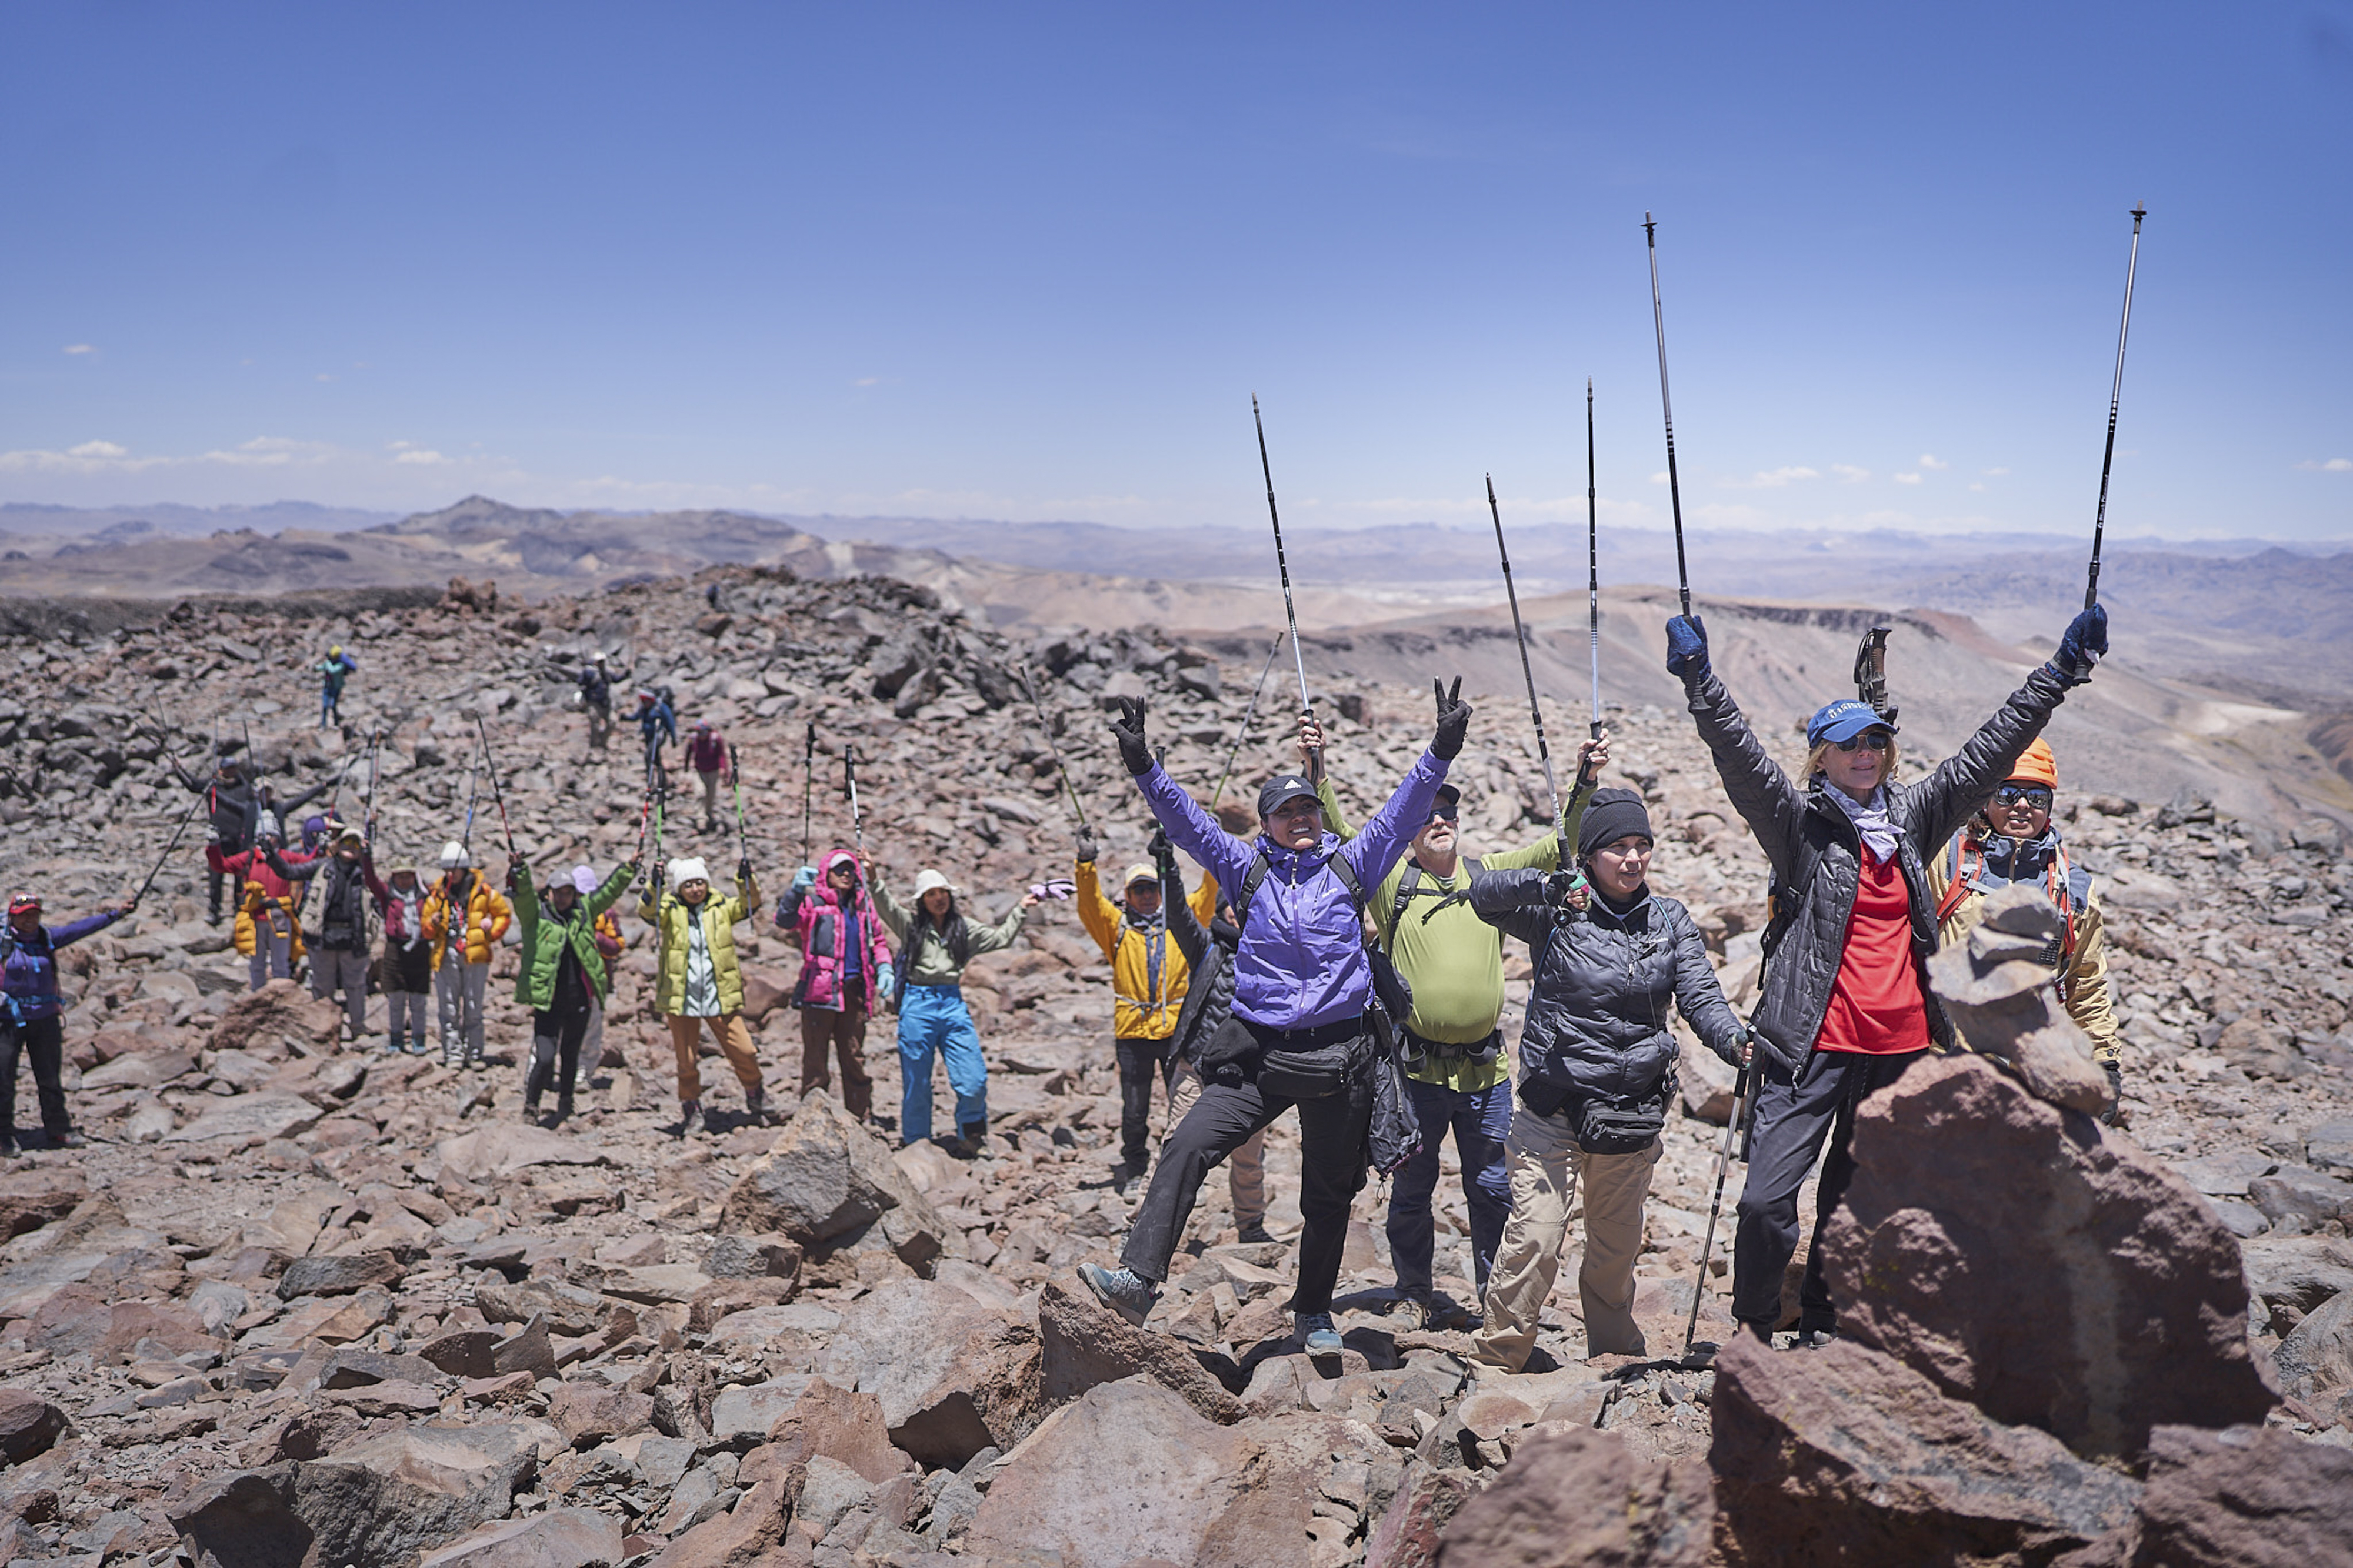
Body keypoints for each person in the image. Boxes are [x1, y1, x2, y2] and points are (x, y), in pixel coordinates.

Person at [1667, 601, 2108, 1347]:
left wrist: (2062, 670)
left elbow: (1990, 749)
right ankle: (1752, 1323)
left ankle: (1825, 1325)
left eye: (1875, 741)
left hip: (1899, 1045)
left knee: (1854, 1196)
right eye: (1848, 745)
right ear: (1820, 757)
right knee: (1767, 1200)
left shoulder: (1912, 816)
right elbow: (1737, 757)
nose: (1865, 754)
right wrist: (1700, 679)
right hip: (1810, 1042)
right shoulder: (1796, 824)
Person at [1079, 682, 1471, 1355]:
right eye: (1285, 812)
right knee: (1188, 1143)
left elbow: (1403, 811)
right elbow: (1188, 825)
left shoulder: (1350, 862)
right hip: (1258, 1056)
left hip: (1340, 1058)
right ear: (1265, 822)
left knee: (1326, 1195)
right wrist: (1144, 766)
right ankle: (1138, 1280)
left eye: (1307, 809)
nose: (1300, 819)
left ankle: (1314, 1312)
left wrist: (1440, 749)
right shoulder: (1244, 868)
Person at [1308, 719, 1607, 1331]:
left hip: (1486, 1069)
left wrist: (1584, 783)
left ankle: (1494, 1290)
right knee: (1413, 1188)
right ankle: (1414, 1286)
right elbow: (1341, 834)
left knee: (1493, 1185)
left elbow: (1558, 847)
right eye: (1427, 815)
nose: (1439, 821)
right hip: (1417, 1071)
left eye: (1448, 813)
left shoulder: (1487, 877)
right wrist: (1318, 769)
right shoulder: (1390, 882)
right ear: (1407, 830)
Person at [1466, 786, 1750, 1368]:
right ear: (1591, 855)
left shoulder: (1669, 920)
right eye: (1617, 846)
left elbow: (1700, 996)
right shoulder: (1557, 908)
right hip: (1553, 1108)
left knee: (1614, 1251)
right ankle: (1497, 1358)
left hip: (1629, 1113)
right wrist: (1544, 884)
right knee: (1535, 1236)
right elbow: (1481, 895)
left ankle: (1614, 1358)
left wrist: (1732, 1040)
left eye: (1641, 845)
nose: (1632, 858)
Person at [1926, 738, 2124, 1118]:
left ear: (2049, 807)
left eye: (2036, 798)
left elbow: (2085, 981)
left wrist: (2104, 1062)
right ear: (1986, 798)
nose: (2021, 806)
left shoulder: (2072, 888)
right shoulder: (1947, 861)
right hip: (1945, 1063)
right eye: (2008, 792)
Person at [1075, 825, 1221, 1192]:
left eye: (1152, 888)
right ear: (1127, 895)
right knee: (1135, 1109)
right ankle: (1136, 1167)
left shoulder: (1183, 922)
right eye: (1138, 889)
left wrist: (1210, 845)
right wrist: (1086, 862)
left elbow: (1209, 892)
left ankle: (1181, 1172)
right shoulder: (1116, 928)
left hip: (1176, 1031)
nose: (1146, 895)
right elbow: (1090, 904)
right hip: (1134, 1033)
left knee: (1185, 1106)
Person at [1150, 835, 1269, 1243]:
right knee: (1174, 1149)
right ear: (1221, 911)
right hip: (1197, 1068)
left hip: (1249, 1075)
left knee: (1249, 1160)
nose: (1238, 913)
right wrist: (1167, 865)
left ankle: (1251, 1227)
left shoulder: (1272, 955)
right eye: (1231, 906)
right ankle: (1152, 1231)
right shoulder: (1206, 948)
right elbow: (1179, 914)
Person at [871, 866, 1038, 1155]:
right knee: (917, 1079)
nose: (939, 899)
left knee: (973, 1078)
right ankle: (917, 1142)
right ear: (922, 900)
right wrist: (873, 877)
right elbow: (885, 905)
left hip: (952, 1003)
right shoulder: (910, 926)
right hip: (917, 1003)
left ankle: (971, 1134)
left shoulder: (964, 928)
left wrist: (1021, 909)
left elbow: (1001, 939)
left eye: (943, 892)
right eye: (932, 894)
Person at [642, 855, 767, 1135]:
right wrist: (654, 885)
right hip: (681, 997)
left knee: (744, 1050)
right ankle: (692, 1109)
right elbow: (648, 913)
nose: (696, 889)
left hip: (718, 994)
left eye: (700, 882)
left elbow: (750, 904)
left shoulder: (721, 907)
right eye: (689, 884)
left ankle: (756, 1095)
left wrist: (747, 881)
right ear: (679, 888)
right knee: (686, 1061)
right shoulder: (669, 910)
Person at [511, 856, 639, 1126]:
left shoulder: (584, 912)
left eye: (568, 893)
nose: (563, 898)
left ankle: (565, 1104)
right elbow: (522, 897)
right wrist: (520, 870)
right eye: (558, 892)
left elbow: (609, 892)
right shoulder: (537, 916)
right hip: (549, 1001)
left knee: (570, 1055)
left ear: (574, 893)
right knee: (545, 1057)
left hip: (579, 999)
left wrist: (628, 869)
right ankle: (531, 1105)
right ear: (550, 893)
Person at [1, 890, 131, 1153]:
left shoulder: (46, 939)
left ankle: (58, 1131)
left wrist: (116, 914)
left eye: (34, 915)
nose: (29, 920)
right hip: (8, 1021)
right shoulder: (4, 942)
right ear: (11, 917)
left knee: (50, 1079)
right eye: (23, 916)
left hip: (45, 1020)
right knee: (3, 1079)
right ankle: (3, 1135)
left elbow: (80, 929)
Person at [779, 850, 892, 1122]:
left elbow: (878, 941)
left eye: (850, 870)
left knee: (854, 1056)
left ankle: (860, 1117)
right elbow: (785, 921)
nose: (846, 874)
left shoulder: (863, 906)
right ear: (825, 873)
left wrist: (885, 967)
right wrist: (795, 893)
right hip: (818, 993)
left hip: (854, 993)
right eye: (839, 869)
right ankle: (812, 1119)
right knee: (816, 1059)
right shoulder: (814, 903)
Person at [269, 828, 385, 1040]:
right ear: (337, 845)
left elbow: (382, 899)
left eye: (356, 845)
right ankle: (323, 1028)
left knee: (357, 985)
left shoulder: (366, 874)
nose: (351, 848)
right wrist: (270, 855)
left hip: (354, 939)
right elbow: (289, 872)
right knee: (322, 985)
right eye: (346, 843)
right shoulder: (322, 867)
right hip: (322, 937)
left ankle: (358, 1028)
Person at [423, 842, 512, 1069]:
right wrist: (432, 924)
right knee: (449, 1006)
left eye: (454, 870)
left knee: (474, 1005)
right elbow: (426, 928)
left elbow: (503, 914)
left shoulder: (484, 892)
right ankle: (453, 1053)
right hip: (446, 954)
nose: (450, 875)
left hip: (476, 955)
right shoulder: (436, 894)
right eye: (447, 871)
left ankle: (474, 1053)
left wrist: (490, 932)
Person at [169, 751, 256, 926]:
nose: (231, 772)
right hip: (218, 839)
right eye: (228, 768)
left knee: (241, 875)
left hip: (240, 838)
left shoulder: (244, 787)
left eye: (234, 768)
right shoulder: (213, 786)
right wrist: (179, 770)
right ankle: (214, 910)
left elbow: (253, 805)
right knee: (216, 875)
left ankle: (239, 907)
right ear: (221, 770)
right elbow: (193, 785)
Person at [223, 829, 315, 989]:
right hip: (255, 918)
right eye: (262, 836)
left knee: (280, 963)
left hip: (280, 915)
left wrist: (319, 849)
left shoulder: (286, 857)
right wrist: (213, 846)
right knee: (256, 964)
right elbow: (222, 865)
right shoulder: (250, 857)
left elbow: (310, 864)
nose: (266, 839)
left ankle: (282, 995)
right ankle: (257, 996)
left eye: (270, 835)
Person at [376, 862, 434, 1054]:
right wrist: (366, 855)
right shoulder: (388, 896)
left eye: (408, 876)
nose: (404, 880)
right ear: (394, 878)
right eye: (400, 876)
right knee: (396, 997)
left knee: (418, 1000)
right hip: (395, 949)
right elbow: (371, 880)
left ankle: (419, 1039)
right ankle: (396, 1039)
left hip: (420, 949)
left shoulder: (425, 896)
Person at [578, 866, 626, 1095]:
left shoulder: (606, 913)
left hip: (596, 980)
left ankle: (583, 1074)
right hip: (568, 980)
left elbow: (617, 945)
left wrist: (597, 939)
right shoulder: (561, 910)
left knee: (592, 1028)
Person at [688, 720, 729, 832]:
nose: (702, 736)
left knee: (710, 795)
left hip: (713, 771)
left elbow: (722, 755)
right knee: (700, 793)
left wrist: (724, 770)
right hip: (699, 770)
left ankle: (709, 813)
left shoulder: (715, 739)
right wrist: (686, 766)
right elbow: (688, 752)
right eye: (700, 733)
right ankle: (701, 820)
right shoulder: (693, 740)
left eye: (704, 733)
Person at [635, 689, 677, 782]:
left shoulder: (661, 707)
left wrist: (674, 738)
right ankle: (662, 782)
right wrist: (624, 717)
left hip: (659, 734)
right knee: (656, 760)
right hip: (649, 737)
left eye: (645, 701)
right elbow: (636, 717)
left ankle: (651, 780)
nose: (644, 704)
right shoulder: (644, 709)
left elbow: (670, 722)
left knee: (649, 755)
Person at [316, 645, 358, 728]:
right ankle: (323, 724)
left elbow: (332, 671)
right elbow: (322, 667)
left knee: (332, 705)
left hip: (336, 687)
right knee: (325, 706)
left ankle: (336, 723)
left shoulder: (341, 665)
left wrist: (327, 664)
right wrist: (316, 668)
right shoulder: (330, 662)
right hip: (327, 686)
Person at [579, 653, 615, 752]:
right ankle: (594, 745)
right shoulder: (589, 672)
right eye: (599, 661)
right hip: (593, 703)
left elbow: (617, 679)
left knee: (612, 722)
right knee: (595, 723)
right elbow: (580, 682)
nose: (601, 664)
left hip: (605, 703)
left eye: (603, 661)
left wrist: (627, 672)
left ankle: (603, 742)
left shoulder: (607, 673)